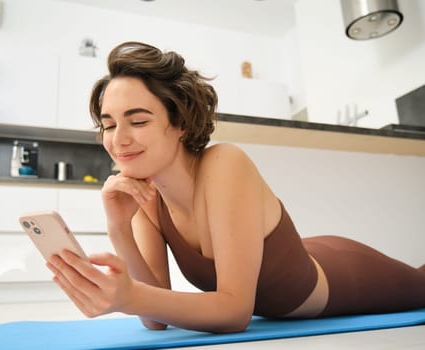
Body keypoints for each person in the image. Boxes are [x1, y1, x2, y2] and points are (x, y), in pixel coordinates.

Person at [46, 41, 425, 334]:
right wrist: (118, 228)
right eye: (109, 124)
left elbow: (234, 312)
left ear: (179, 123)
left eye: (138, 121)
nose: (120, 138)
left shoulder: (225, 163)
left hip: (343, 272)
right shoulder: (144, 196)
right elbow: (154, 319)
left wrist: (127, 296)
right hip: (304, 251)